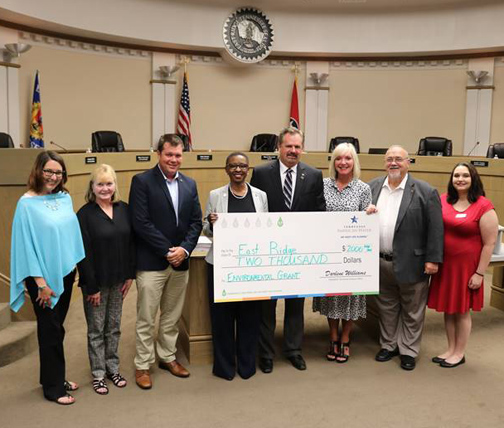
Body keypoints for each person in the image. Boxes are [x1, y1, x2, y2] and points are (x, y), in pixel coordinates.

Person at [10, 150, 85, 405]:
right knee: (50, 330)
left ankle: (53, 377)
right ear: (38, 171)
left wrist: (73, 266)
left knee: (56, 328)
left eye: (58, 172)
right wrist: (41, 285)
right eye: (49, 171)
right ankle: (54, 389)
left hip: (65, 273)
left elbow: (70, 234)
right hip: (41, 279)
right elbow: (26, 247)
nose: (53, 177)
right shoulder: (26, 204)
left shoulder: (64, 198)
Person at [129, 134, 202, 389]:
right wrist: (168, 250)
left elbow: (196, 222)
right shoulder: (142, 181)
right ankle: (142, 364)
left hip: (180, 262)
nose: (174, 159)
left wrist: (184, 250)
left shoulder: (190, 184)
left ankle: (167, 356)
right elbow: (140, 222)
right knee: (146, 317)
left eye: (178, 155)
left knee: (172, 316)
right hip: (152, 262)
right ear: (159, 154)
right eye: (169, 154)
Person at [250, 127, 325, 373]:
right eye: (288, 146)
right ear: (279, 148)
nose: (293, 151)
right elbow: (253, 210)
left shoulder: (313, 175)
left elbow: (320, 212)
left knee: (295, 304)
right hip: (269, 251)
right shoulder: (261, 173)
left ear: (302, 149)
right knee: (266, 306)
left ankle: (294, 350)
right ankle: (266, 353)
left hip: (299, 253)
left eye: (297, 147)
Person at [367, 145, 443, 371]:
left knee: (413, 310)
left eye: (398, 159)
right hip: (380, 261)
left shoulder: (425, 191)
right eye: (389, 159)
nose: (393, 163)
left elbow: (435, 229)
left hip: (414, 262)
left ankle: (408, 350)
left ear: (408, 163)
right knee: (386, 307)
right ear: (384, 163)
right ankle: (389, 345)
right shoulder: (372, 187)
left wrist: (433, 259)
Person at [203, 152, 268, 380]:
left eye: (242, 166)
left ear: (248, 169)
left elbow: (266, 227)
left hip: (251, 266)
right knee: (222, 318)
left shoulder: (260, 196)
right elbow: (205, 229)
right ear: (226, 169)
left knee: (250, 316)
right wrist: (211, 224)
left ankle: (247, 365)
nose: (238, 170)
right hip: (221, 265)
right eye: (233, 166)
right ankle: (224, 367)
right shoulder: (215, 195)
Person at [427, 162, 498, 368]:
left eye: (465, 175)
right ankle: (450, 349)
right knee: (449, 309)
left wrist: (480, 273)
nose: (460, 179)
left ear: (473, 178)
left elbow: (489, 243)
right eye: (456, 175)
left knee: (462, 311)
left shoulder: (484, 205)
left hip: (467, 269)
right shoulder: (443, 200)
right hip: (446, 266)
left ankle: (459, 352)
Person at [77, 164, 136, 394]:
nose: (105, 188)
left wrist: (130, 275)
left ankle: (113, 368)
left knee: (113, 327)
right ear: (92, 187)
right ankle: (98, 374)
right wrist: (91, 287)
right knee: (96, 330)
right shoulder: (84, 214)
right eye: (100, 184)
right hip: (95, 284)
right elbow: (83, 253)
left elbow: (131, 244)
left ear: (115, 185)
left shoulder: (124, 209)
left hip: (119, 280)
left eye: (109, 183)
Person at [312, 143, 372, 363]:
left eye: (348, 158)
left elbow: (367, 221)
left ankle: (345, 337)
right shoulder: (322, 185)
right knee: (331, 297)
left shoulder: (363, 189)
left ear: (354, 162)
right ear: (333, 162)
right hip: (328, 252)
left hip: (353, 254)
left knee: (350, 297)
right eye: (338, 158)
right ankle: (333, 336)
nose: (343, 162)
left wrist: (371, 213)